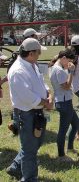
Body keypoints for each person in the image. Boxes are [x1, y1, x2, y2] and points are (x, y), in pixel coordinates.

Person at [6, 38, 53, 181]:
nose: (39, 55)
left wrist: (48, 94)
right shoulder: (18, 71)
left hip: (35, 111)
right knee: (29, 150)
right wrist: (45, 102)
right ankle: (29, 178)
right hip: (26, 114)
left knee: (34, 144)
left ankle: (15, 167)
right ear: (31, 53)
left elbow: (41, 82)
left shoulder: (32, 65)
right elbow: (27, 97)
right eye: (38, 52)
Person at [49, 48, 79, 160]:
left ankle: (70, 147)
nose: (70, 63)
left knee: (76, 124)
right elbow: (66, 86)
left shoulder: (58, 68)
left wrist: (68, 69)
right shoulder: (58, 70)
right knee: (63, 130)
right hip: (63, 102)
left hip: (65, 101)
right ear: (63, 58)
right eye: (69, 61)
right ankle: (61, 155)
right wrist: (71, 72)